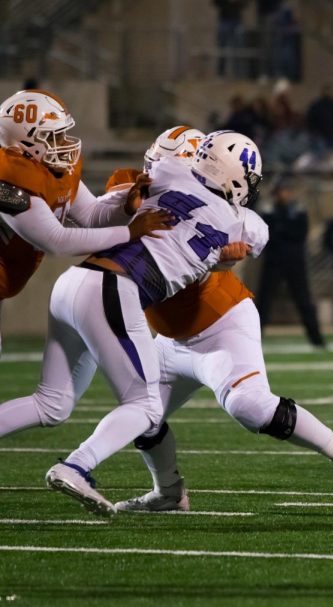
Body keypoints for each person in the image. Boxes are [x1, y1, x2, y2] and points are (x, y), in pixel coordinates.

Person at [0, 130, 264, 516]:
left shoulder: (167, 174)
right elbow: (238, 243)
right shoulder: (246, 220)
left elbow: (135, 199)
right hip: (114, 288)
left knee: (52, 403)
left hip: (72, 284)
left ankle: (107, 475)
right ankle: (75, 467)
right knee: (146, 407)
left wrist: (135, 199)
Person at [110, 132, 333, 512]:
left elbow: (242, 232)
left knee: (250, 406)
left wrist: (223, 251)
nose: (153, 166)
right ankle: (168, 493)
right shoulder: (132, 187)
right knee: (139, 415)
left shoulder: (214, 209)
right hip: (170, 337)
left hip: (221, 323)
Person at [0, 89, 170, 358]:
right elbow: (56, 241)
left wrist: (127, 206)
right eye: (53, 136)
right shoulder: (9, 178)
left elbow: (91, 215)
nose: (63, 142)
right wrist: (128, 233)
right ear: (25, 142)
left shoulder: (47, 170)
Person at [255, 176, 326, 346]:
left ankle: (316, 339)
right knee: (264, 301)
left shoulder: (298, 211)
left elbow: (299, 233)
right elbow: (267, 234)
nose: (284, 194)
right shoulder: (269, 211)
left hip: (294, 261)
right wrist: (283, 231)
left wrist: (281, 230)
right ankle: (255, 339)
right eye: (281, 191)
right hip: (274, 261)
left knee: (304, 300)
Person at [213, 0, 247, 77]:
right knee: (222, 47)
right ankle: (221, 73)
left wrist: (237, 2)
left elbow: (246, 3)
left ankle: (239, 73)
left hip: (237, 20)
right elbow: (215, 3)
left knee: (239, 48)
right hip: (224, 19)